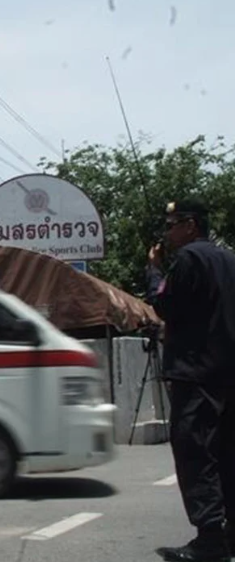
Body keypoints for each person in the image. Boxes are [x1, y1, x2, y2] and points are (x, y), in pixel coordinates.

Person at [147, 199, 235, 562]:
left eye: (171, 225)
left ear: (190, 225)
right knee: (228, 454)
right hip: (227, 374)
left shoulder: (187, 260)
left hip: (196, 374)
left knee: (196, 453)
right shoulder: (229, 259)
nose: (167, 233)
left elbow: (164, 304)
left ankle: (211, 539)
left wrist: (153, 270)